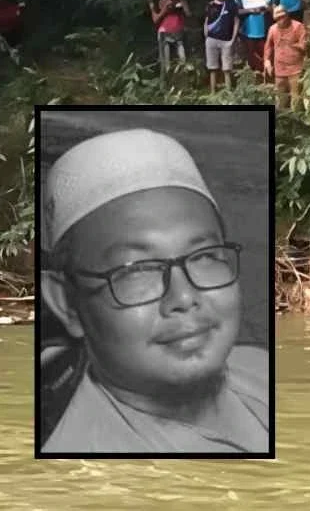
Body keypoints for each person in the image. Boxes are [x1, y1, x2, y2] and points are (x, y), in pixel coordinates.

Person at [39, 128, 269, 454]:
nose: (184, 298)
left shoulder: (261, 368)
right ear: (66, 303)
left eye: (204, 256)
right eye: (137, 270)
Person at [264, 4, 307, 111]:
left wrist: (292, 45)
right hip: (280, 69)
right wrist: (267, 61)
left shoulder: (298, 26)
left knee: (296, 98)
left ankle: (297, 118)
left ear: (287, 15)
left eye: (282, 17)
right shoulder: (273, 29)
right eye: (277, 18)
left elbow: (304, 45)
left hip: (295, 69)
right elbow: (268, 46)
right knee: (281, 99)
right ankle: (282, 119)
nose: (280, 20)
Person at [149, 0, 190, 84]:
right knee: (166, 64)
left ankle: (182, 85)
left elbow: (188, 13)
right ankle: (165, 86)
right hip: (164, 33)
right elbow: (155, 19)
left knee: (182, 61)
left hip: (178, 32)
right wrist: (165, 10)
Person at [234, 0, 274, 77]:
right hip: (248, 30)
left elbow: (273, 9)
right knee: (251, 55)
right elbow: (237, 11)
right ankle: (253, 77)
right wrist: (250, 10)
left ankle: (267, 76)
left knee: (266, 53)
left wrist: (267, 9)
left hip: (264, 28)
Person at [203, 0, 239, 93]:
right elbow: (206, 21)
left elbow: (236, 22)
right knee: (212, 68)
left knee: (227, 69)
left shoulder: (231, 5)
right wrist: (206, 36)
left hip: (226, 41)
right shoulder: (209, 6)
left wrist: (233, 39)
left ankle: (228, 93)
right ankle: (213, 93)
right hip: (211, 40)